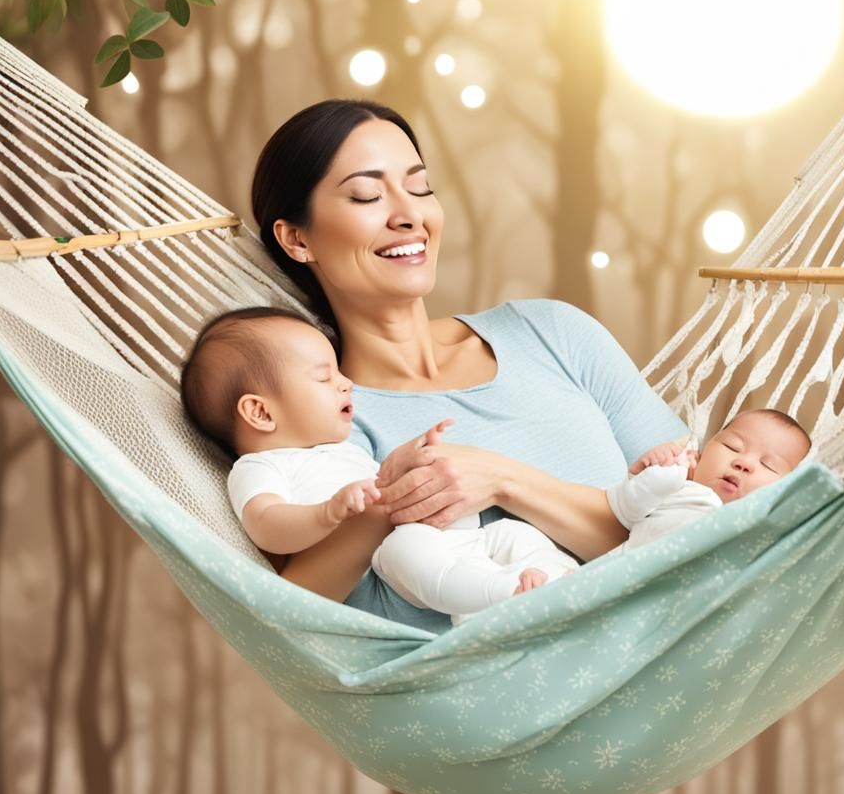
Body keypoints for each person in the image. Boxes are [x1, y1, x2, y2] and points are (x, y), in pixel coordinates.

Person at [250, 98, 689, 633]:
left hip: (674, 650)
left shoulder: (551, 333)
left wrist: (504, 480)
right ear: (297, 239)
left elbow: (697, 523)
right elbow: (295, 618)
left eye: (420, 187)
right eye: (366, 195)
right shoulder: (324, 417)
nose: (408, 214)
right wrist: (384, 503)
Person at [179, 307, 578, 625]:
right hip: (395, 559)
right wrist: (327, 513)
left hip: (457, 539)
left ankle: (561, 581)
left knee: (511, 534)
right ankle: (507, 595)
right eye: (324, 378)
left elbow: (381, 484)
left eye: (338, 372)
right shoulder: (259, 466)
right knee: (413, 550)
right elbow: (266, 524)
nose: (345, 382)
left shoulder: (340, 450)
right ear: (260, 412)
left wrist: (408, 461)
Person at [606, 409, 811, 552]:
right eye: (733, 447)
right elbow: (624, 512)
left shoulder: (756, 532)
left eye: (768, 465)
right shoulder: (678, 483)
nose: (743, 463)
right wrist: (645, 475)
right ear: (699, 455)